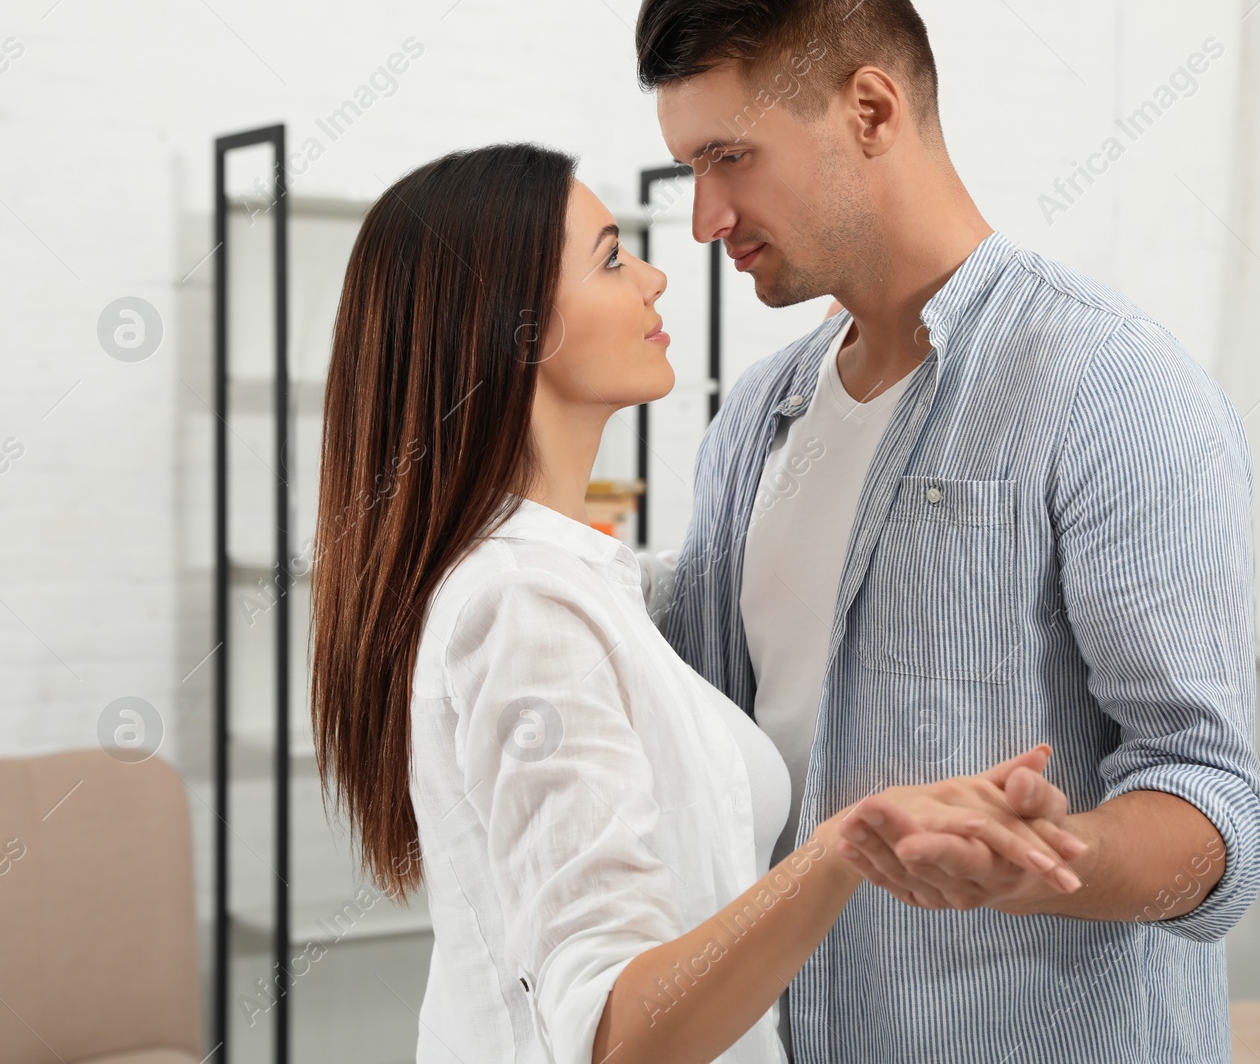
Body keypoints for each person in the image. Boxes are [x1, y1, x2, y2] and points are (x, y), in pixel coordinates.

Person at [306, 143, 1087, 1064]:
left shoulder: (583, 582)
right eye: (609, 257)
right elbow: (616, 1033)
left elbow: (749, 571)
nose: (656, 273)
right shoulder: (523, 610)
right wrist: (842, 851)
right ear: (516, 327)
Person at [633, 0, 1260, 1060]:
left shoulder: (1113, 386)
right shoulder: (753, 419)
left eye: (730, 157)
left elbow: (1212, 804)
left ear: (872, 110)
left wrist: (1052, 856)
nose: (705, 217)